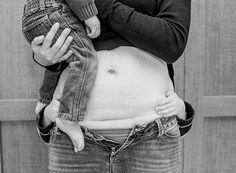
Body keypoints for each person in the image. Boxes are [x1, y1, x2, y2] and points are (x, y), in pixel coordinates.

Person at [31, 0, 195, 172]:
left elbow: (172, 42)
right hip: (74, 134)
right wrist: (45, 57)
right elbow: (49, 25)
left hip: (152, 133)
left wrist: (96, 4)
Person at [22, 0, 101, 152]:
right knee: (84, 57)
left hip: (40, 13)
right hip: (51, 10)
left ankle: (44, 100)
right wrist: (88, 14)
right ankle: (68, 118)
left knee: (63, 56)